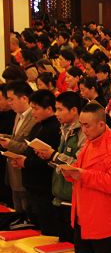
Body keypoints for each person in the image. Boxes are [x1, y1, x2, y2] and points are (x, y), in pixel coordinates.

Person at [64, 103, 111, 253]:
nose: (83, 130)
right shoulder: (90, 141)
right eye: (81, 125)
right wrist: (71, 174)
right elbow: (82, 173)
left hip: (104, 219)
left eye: (86, 125)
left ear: (101, 124)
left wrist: (82, 175)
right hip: (84, 215)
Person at [33, 91, 85, 243]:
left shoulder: (82, 133)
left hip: (72, 197)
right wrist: (49, 158)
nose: (57, 114)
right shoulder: (64, 128)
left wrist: (54, 155)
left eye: (60, 109)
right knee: (61, 242)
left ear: (74, 110)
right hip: (59, 194)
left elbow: (78, 165)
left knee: (72, 246)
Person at [14, 90, 61, 236]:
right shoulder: (38, 125)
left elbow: (48, 160)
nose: (32, 112)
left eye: (36, 108)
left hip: (44, 187)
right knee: (37, 228)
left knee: (48, 231)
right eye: (32, 108)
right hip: (33, 185)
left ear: (48, 109)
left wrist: (26, 162)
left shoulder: (53, 128)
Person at [1, 81, 37, 227]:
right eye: (7, 99)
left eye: (12, 99)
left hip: (25, 171)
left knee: (27, 214)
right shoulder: (18, 115)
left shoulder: (33, 117)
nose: (9, 103)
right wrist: (6, 137)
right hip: (13, 170)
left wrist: (8, 143)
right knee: (17, 212)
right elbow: (16, 138)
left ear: (24, 98)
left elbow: (28, 147)